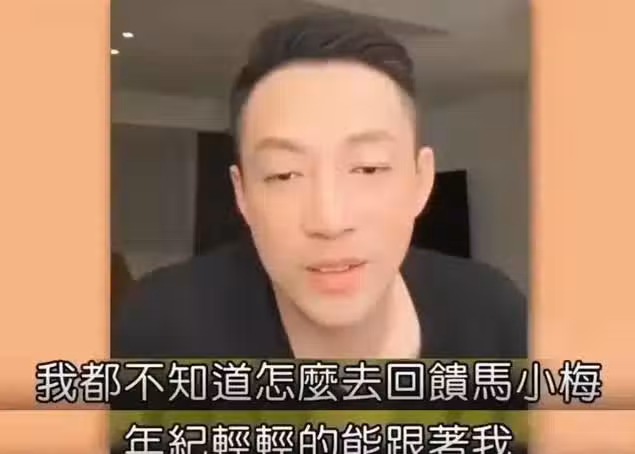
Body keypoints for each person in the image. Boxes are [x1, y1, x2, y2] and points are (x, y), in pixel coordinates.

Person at [112, 13, 527, 361]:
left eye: (368, 168)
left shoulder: (492, 313)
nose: (329, 221)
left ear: (421, 181)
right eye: (284, 174)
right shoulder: (161, 329)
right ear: (242, 194)